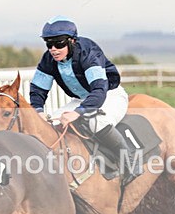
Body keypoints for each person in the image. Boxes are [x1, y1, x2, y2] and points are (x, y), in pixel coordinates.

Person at [30, 16, 140, 185]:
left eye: (59, 43)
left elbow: (98, 90)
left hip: (108, 95)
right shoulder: (48, 59)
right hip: (81, 98)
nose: (53, 49)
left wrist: (78, 112)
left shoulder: (88, 52)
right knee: (51, 124)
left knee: (97, 121)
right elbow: (38, 90)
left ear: (72, 41)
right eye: (48, 44)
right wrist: (38, 111)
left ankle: (130, 160)